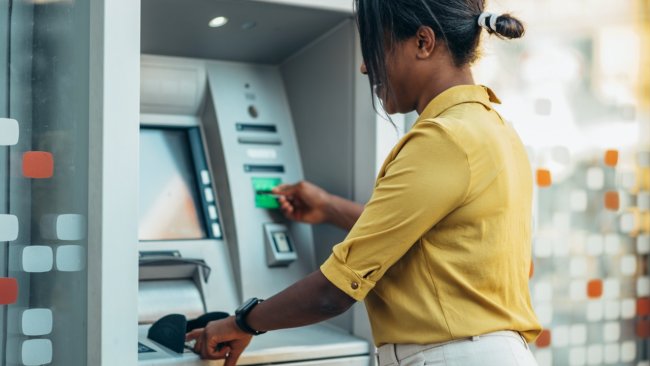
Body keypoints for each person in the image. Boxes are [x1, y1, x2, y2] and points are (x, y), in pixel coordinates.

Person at [186, 0, 542, 365]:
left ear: (423, 42)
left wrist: (241, 322)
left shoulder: (443, 139)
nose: (363, 66)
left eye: (375, 48)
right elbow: (427, 239)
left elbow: (333, 293)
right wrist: (328, 208)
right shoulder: (494, 129)